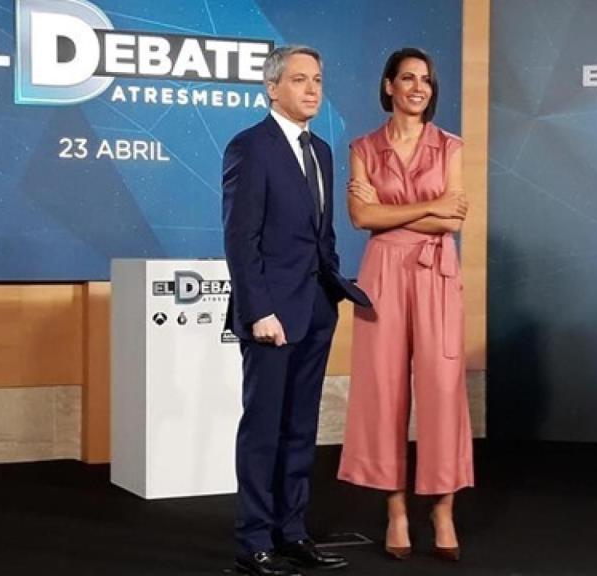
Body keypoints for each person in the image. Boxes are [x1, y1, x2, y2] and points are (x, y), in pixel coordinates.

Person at [222, 44, 371, 576]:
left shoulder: (323, 151)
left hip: (314, 310)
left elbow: (321, 235)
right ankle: (254, 542)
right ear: (272, 87)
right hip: (270, 317)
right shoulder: (250, 147)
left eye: (318, 80)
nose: (312, 90)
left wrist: (333, 289)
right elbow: (241, 240)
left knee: (301, 429)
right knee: (263, 429)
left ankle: (292, 533)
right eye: (300, 79)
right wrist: (258, 310)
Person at [337, 47, 473, 562]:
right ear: (389, 84)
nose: (419, 87)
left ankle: (442, 507)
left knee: (441, 388)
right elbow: (358, 218)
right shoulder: (364, 147)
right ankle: (395, 509)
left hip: (437, 272)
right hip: (382, 275)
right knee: (383, 389)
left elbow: (451, 222)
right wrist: (428, 207)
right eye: (409, 78)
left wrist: (388, 211)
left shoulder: (450, 146)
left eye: (427, 80)